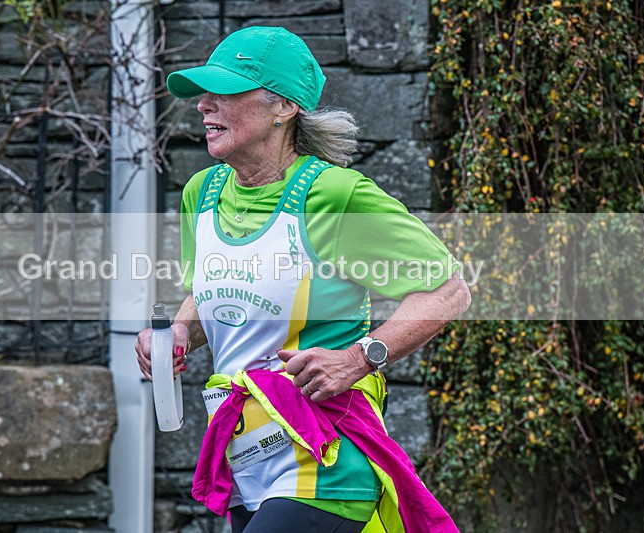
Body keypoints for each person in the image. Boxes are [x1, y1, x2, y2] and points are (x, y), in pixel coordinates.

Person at [136, 26, 470, 533]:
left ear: (283, 107)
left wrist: (360, 358)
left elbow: (449, 291)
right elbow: (211, 296)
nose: (204, 105)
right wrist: (181, 332)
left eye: (224, 92)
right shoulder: (201, 194)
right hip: (246, 464)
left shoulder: (335, 195)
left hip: (327, 460)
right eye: (204, 95)